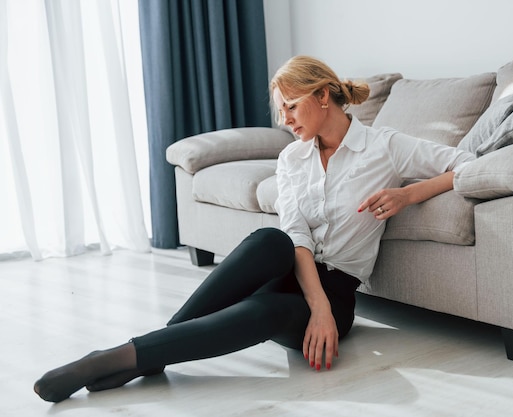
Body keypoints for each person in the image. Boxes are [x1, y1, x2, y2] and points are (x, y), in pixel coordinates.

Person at [33, 55, 475, 403]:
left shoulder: (386, 148)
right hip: (291, 273)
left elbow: (467, 163)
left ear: (323, 96)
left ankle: (115, 359)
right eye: (281, 109)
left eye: (292, 105)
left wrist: (407, 195)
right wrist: (313, 303)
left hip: (337, 294)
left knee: (263, 312)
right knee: (273, 239)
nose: (285, 119)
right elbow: (297, 235)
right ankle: (146, 354)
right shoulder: (291, 159)